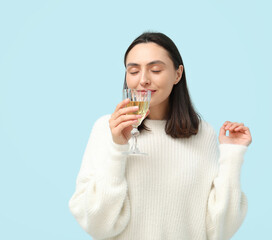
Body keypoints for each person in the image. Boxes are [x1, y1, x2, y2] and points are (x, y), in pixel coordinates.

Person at [68, 32, 252, 240]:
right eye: (134, 71)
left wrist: (232, 154)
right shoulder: (105, 129)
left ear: (177, 74)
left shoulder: (203, 133)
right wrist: (118, 148)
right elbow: (97, 225)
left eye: (155, 70)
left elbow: (220, 229)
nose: (143, 80)